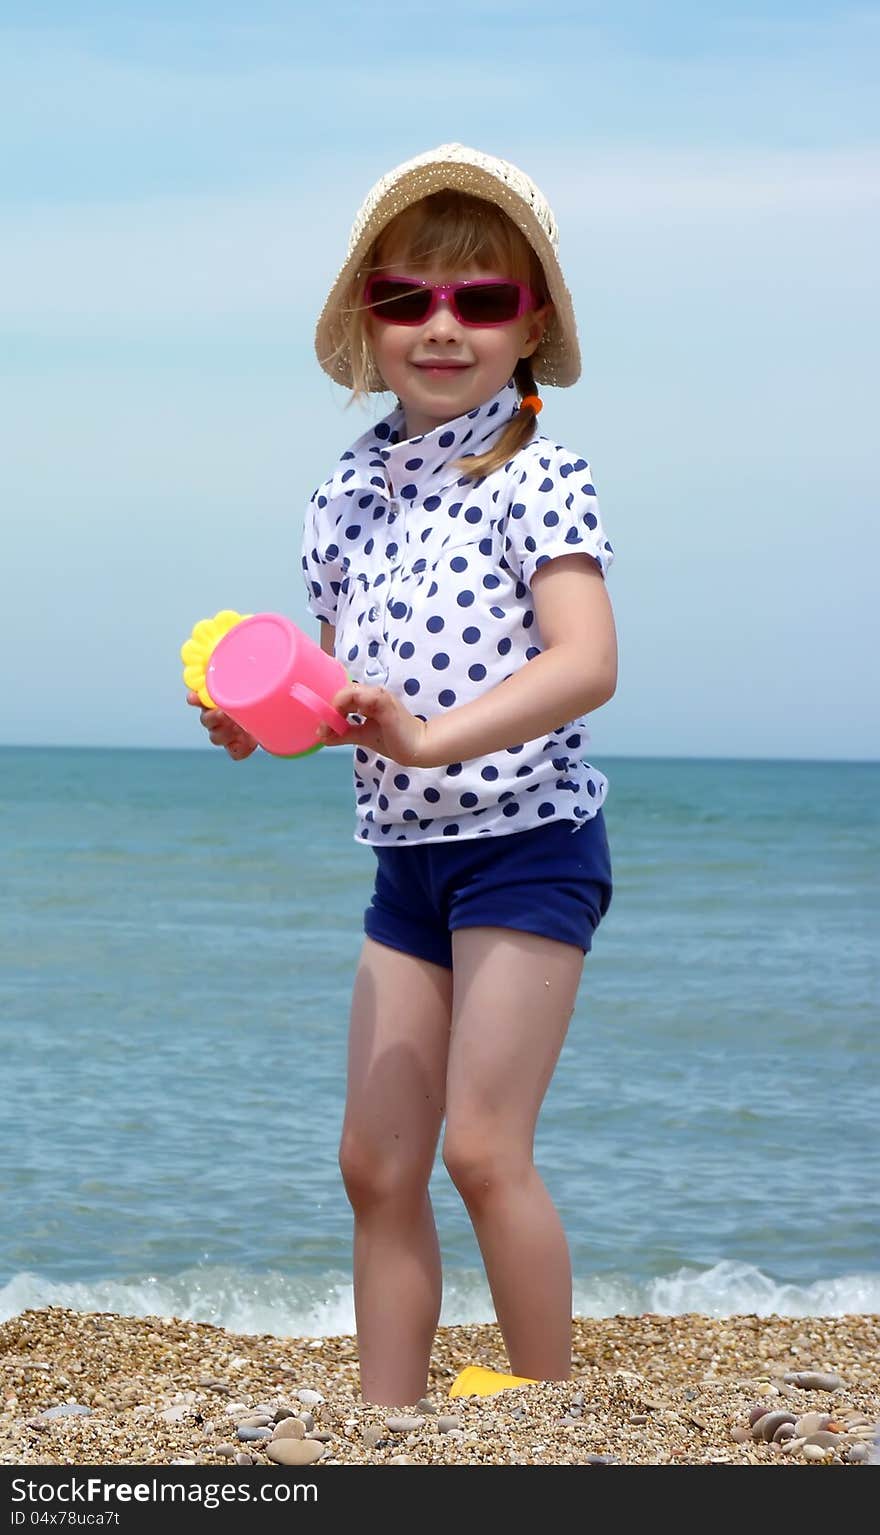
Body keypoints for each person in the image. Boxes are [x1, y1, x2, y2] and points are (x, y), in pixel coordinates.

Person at [188, 143, 618, 1406]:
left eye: (480, 301)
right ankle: (394, 1417)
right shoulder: (345, 497)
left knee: (484, 1151)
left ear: (526, 319)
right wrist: (267, 717)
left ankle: (541, 1410)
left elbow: (588, 661)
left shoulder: (539, 472)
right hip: (407, 864)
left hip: (529, 838)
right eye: (409, 301)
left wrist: (430, 735)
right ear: (369, 318)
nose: (443, 328)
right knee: (376, 1165)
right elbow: (343, 695)